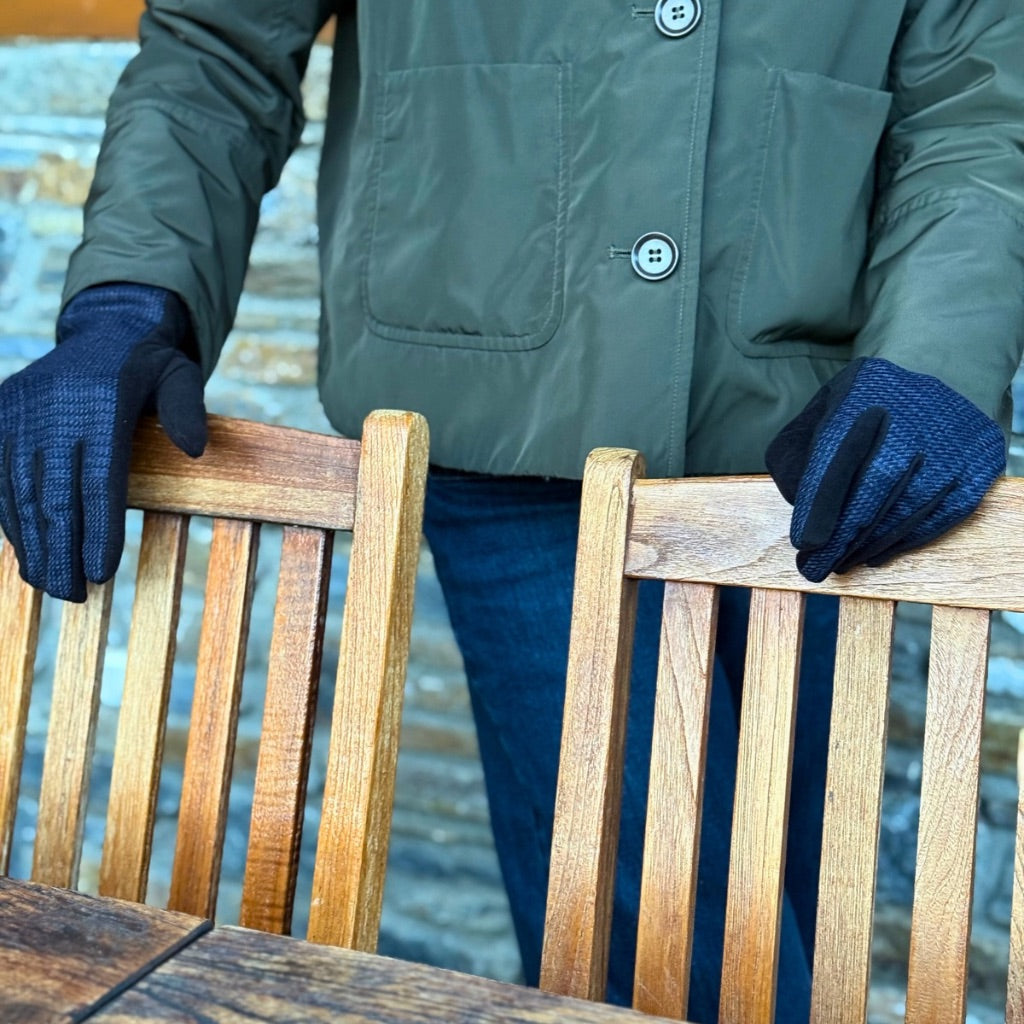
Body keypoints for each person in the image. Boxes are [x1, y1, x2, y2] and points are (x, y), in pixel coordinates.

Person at [1, 3, 1022, 1020]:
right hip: (516, 426)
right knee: (681, 969)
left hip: (819, 452)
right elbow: (220, 42)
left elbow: (977, 84)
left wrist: (937, 352)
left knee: (774, 924)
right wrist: (129, 294)